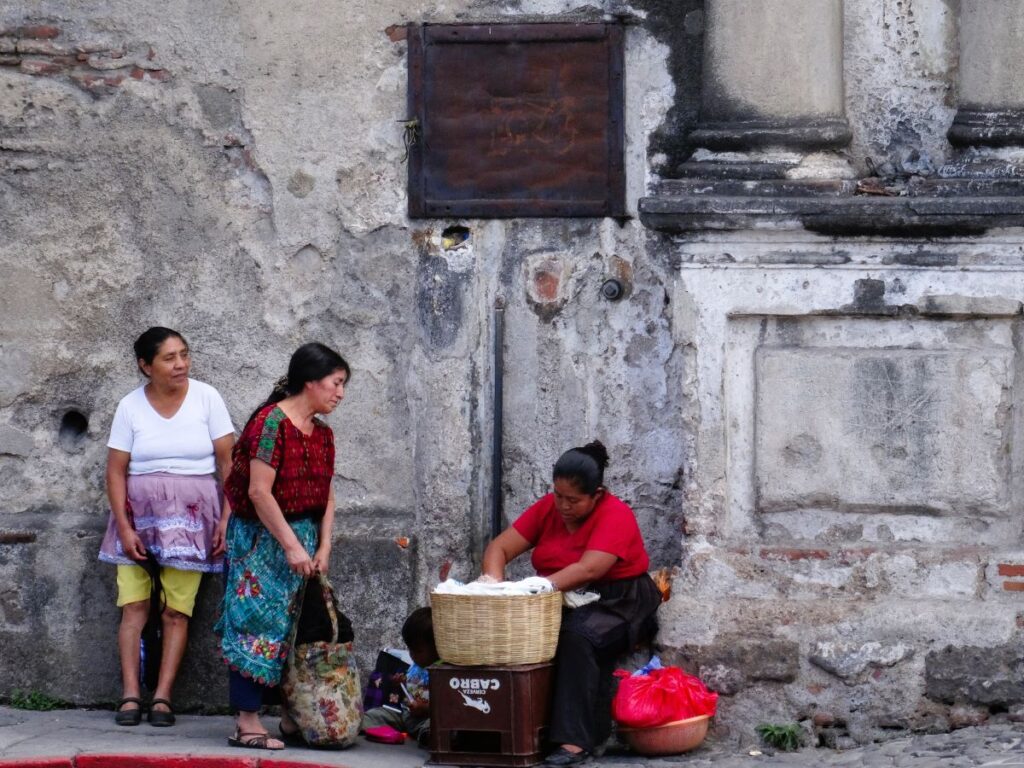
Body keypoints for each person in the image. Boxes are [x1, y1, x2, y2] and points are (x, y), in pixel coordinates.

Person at [482, 441, 661, 767]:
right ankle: (510, 729)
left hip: (619, 600)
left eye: (573, 500)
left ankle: (574, 742)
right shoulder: (549, 508)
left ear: (597, 495)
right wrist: (492, 585)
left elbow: (589, 569)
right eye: (558, 496)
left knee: (576, 636)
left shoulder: (615, 515)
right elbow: (500, 548)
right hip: (562, 596)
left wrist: (539, 586)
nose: (563, 506)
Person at [99, 327, 235, 727]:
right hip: (139, 516)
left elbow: (228, 465)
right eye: (169, 358)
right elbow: (115, 471)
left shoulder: (207, 398)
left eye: (184, 355)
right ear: (146, 365)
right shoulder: (130, 407)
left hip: (194, 518)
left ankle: (162, 697)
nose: (180, 364)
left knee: (176, 610)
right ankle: (129, 694)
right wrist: (124, 528)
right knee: (134, 607)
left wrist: (227, 518)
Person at [216, 342, 349, 751]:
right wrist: (291, 547)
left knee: (296, 630)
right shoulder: (270, 425)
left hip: (304, 540)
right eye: (336, 383)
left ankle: (292, 716)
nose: (340, 393)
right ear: (309, 382)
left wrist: (323, 544)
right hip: (263, 541)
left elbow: (326, 494)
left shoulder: (322, 434)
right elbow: (259, 492)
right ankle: (247, 722)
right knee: (255, 625)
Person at [362, 607, 439, 747]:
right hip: (403, 714)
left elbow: (448, 705)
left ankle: (428, 737)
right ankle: (359, 725)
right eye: (410, 649)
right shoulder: (415, 666)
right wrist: (401, 683)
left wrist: (425, 708)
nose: (412, 655)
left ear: (437, 648)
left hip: (425, 718)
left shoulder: (441, 671)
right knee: (374, 715)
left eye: (418, 651)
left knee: (433, 727)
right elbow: (411, 685)